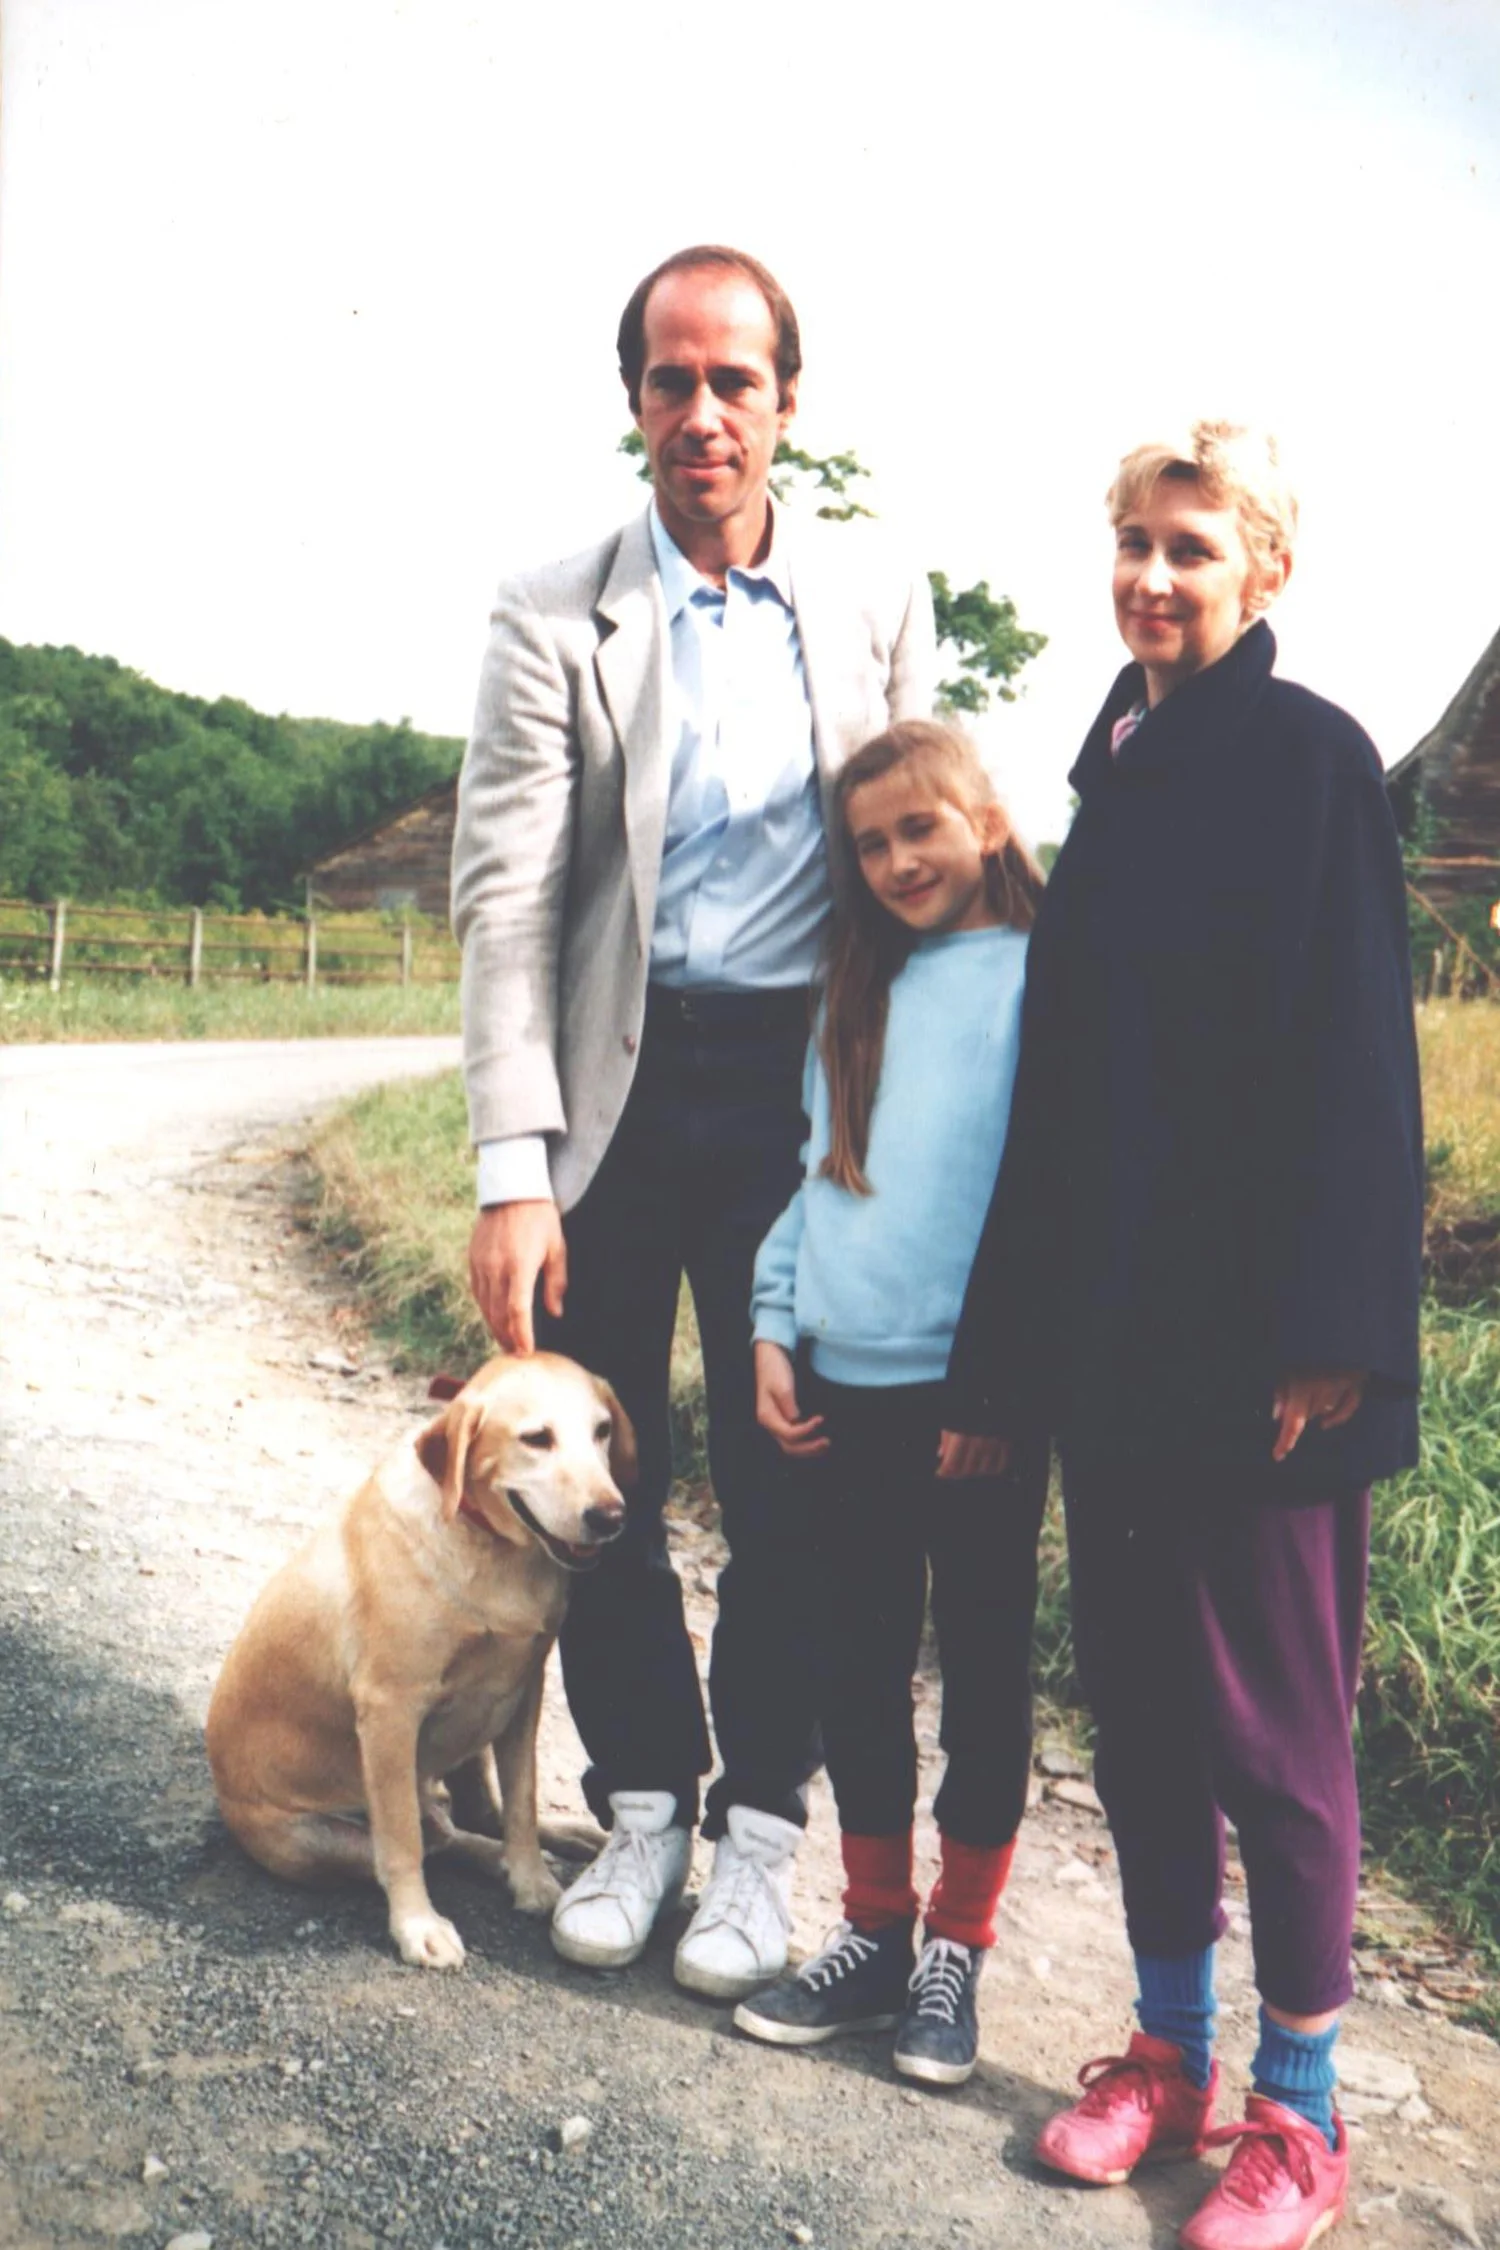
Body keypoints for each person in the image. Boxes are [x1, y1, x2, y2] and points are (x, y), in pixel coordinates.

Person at [944, 425, 1423, 2250]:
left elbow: (1360, 1065)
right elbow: (1058, 1107)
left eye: (1193, 548)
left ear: (1265, 575)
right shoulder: (1117, 771)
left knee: (1278, 1741)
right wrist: (1004, 1368)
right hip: (1114, 1353)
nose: (1153, 575)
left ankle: (1300, 2116)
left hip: (1266, 1360)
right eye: (1134, 541)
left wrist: (1336, 1335)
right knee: (1142, 1718)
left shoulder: (1312, 763)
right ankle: (1169, 2050)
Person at [450, 244, 937, 2001]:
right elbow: (506, 900)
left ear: (787, 403)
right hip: (614, 1096)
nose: (704, 413)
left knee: (782, 1469)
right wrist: (514, 1168)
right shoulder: (550, 606)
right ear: (635, 403)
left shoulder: (876, 596)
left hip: (801, 1106)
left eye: (737, 381)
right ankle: (641, 1800)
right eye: (673, 380)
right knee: (600, 1486)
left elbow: (917, 863)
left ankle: (759, 1839)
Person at [727, 719, 1048, 2088]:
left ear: (985, 818)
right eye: (872, 843)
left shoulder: (1046, 977)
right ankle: (872, 1928)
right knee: (854, 1658)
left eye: (923, 826)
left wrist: (1005, 1380)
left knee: (981, 1668)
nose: (900, 858)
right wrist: (769, 1321)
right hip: (841, 1384)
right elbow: (819, 1174)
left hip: (971, 1397)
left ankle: (956, 1950)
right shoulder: (854, 991)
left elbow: (1048, 1202)